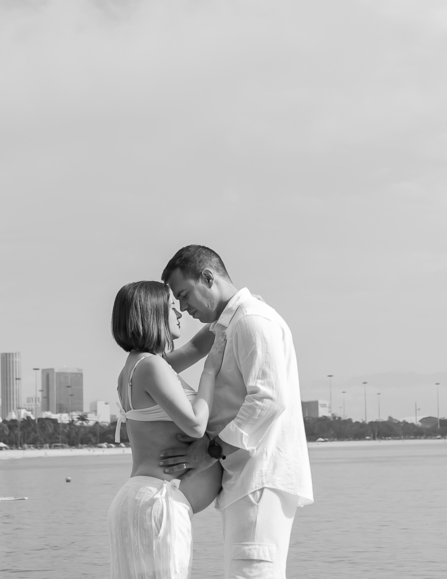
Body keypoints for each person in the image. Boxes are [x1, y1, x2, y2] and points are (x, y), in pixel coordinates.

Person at [159, 245, 313, 579]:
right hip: (244, 477)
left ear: (208, 277)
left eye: (185, 295)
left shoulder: (251, 321)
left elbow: (269, 400)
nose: (183, 308)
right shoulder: (228, 324)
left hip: (259, 477)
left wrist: (211, 450)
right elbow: (180, 357)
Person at [108, 280, 224, 579]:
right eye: (174, 307)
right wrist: (209, 374)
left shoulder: (139, 366)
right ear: (153, 314)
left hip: (145, 502)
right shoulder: (151, 367)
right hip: (157, 504)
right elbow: (196, 425)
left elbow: (198, 346)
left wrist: (234, 311)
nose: (182, 312)